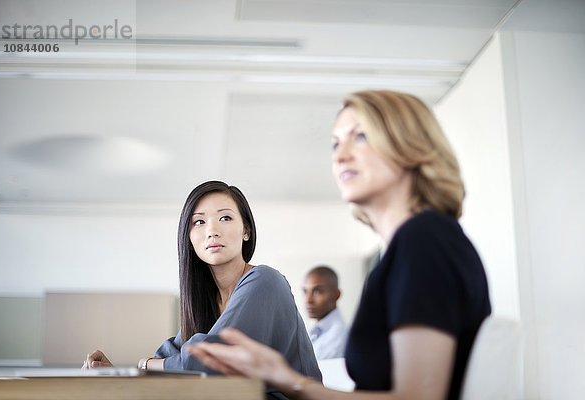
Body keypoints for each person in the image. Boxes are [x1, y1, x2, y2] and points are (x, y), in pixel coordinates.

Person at [188, 90, 492, 400]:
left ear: (409, 147)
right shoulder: (406, 250)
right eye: (336, 143)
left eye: (360, 137)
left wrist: (288, 378)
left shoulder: (424, 240)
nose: (340, 155)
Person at [83, 181, 321, 397]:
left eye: (225, 218)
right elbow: (168, 358)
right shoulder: (206, 301)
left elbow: (208, 364)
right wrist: (118, 372)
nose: (212, 230)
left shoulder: (265, 281)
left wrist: (144, 364)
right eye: (199, 222)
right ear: (189, 237)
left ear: (246, 231)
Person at [303, 265, 348, 360]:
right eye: (305, 291)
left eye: (317, 292)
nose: (308, 300)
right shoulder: (318, 330)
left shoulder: (338, 336)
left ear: (336, 295)